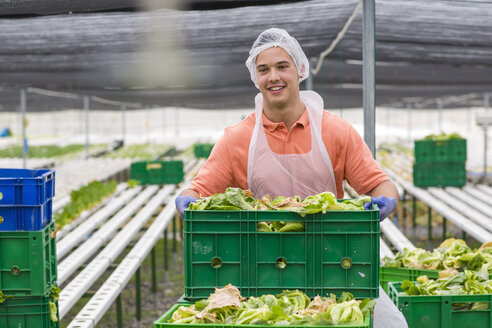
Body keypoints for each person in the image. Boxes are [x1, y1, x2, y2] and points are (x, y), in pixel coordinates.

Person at [176, 28, 407, 328]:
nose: (273, 77)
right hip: (260, 272)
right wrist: (185, 200)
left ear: (299, 70)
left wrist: (386, 199)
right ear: (255, 78)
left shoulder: (334, 131)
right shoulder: (237, 139)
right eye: (264, 70)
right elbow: (200, 189)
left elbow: (379, 183)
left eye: (282, 66)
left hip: (333, 264)